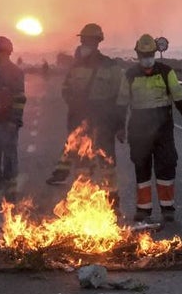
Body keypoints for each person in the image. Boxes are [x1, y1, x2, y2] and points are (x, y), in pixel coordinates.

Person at [116, 34, 182, 222]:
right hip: (138, 128)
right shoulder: (129, 75)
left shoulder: (167, 72)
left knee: (166, 166)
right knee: (141, 167)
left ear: (154, 52)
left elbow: (179, 97)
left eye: (150, 53)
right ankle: (143, 209)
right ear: (137, 54)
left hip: (162, 129)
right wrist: (120, 127)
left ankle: (167, 208)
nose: (147, 57)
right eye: (143, 54)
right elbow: (122, 103)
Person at [47, 23, 124, 203]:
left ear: (97, 42)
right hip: (80, 121)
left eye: (87, 40)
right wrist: (74, 104)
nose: (84, 44)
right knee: (82, 163)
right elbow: (66, 89)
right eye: (83, 40)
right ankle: (83, 199)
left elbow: (120, 99)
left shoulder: (111, 67)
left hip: (104, 122)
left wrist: (120, 125)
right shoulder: (75, 66)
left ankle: (112, 198)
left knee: (107, 163)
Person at [0, 35, 26, 203]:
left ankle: (10, 194)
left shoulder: (15, 72)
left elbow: (20, 98)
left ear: (5, 52)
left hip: (7, 121)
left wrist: (14, 120)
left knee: (9, 158)